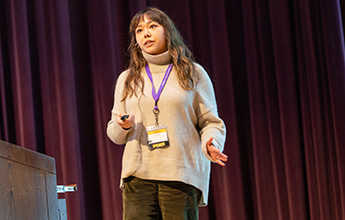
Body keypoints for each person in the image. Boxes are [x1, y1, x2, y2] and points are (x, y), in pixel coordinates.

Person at [106, 7, 227, 220]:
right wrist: (122, 126)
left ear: (167, 32)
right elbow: (115, 134)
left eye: (153, 26)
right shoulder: (127, 79)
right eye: (139, 30)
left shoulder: (193, 73)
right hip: (137, 176)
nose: (146, 33)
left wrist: (211, 142)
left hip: (180, 173)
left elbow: (211, 122)